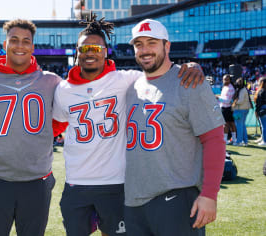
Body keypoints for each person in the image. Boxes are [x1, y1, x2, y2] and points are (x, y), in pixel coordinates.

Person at [52, 14, 204, 236]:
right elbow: (54, 126)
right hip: (76, 183)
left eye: (96, 47)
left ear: (106, 51)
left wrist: (191, 65)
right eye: (84, 49)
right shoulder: (63, 90)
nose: (90, 53)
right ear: (77, 52)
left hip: (117, 183)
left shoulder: (127, 80)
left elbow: (163, 72)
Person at [123, 19, 226, 236]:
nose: (145, 50)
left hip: (176, 198)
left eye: (152, 42)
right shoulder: (131, 86)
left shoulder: (189, 81)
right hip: (134, 201)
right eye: (139, 44)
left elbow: (214, 139)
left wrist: (210, 194)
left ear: (166, 46)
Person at [0, 19, 61, 236]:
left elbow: (62, 120)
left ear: (32, 47)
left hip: (36, 180)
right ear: (5, 44)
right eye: (14, 40)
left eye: (25, 41)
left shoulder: (51, 82)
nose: (19, 46)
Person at [217, 74, 237, 145]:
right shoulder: (225, 87)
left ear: (230, 80)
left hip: (228, 108)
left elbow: (227, 101)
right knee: (230, 124)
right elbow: (223, 99)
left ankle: (226, 140)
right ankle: (233, 140)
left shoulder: (230, 88)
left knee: (227, 124)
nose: (225, 80)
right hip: (224, 107)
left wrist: (217, 98)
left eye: (227, 79)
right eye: (224, 79)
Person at [232, 78, 252, 146]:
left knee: (239, 126)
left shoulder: (242, 90)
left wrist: (233, 101)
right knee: (242, 125)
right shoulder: (243, 89)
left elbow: (240, 101)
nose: (237, 84)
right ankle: (245, 141)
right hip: (244, 109)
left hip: (241, 109)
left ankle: (239, 142)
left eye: (238, 82)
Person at [254, 77, 266, 146]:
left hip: (262, 109)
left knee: (264, 126)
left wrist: (256, 111)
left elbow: (259, 103)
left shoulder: (261, 91)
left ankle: (264, 141)